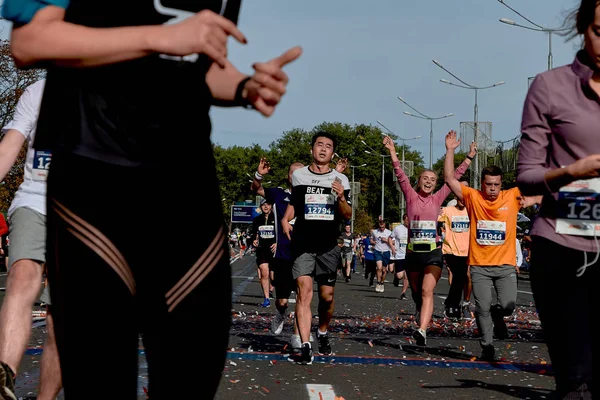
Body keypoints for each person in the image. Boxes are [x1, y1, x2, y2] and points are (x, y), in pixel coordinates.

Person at [2, 1, 302, 397]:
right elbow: (31, 42)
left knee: (190, 381)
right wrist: (160, 37)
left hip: (187, 193)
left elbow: (196, 67)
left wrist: (246, 87)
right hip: (93, 190)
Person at [516, 1, 598, 396]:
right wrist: (571, 172)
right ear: (583, 28)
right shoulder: (550, 86)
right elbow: (526, 176)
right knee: (577, 379)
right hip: (564, 245)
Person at [444, 130, 539, 361]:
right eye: (489, 184)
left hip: (506, 265)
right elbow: (449, 179)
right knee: (482, 307)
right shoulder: (473, 197)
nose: (493, 189)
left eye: (496, 184)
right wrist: (450, 151)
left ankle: (499, 318)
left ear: (501, 184)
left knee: (507, 306)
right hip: (479, 266)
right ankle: (487, 345)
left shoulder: (513, 196)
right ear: (482, 184)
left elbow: (540, 189)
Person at [0, 79, 62, 400]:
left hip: (84, 214)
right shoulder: (38, 91)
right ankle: (3, 379)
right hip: (35, 200)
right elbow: (10, 144)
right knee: (22, 275)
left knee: (59, 319)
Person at [383, 134, 475, 346]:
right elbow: (399, 174)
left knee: (427, 290)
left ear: (436, 185)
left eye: (433, 180)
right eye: (425, 178)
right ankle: (419, 311)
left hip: (433, 253)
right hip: (413, 253)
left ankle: (422, 331)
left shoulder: (438, 198)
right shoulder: (411, 196)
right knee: (417, 292)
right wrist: (392, 151)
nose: (429, 182)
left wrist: (467, 156)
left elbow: (455, 175)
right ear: (418, 181)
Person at [282, 131, 352, 364]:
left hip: (328, 245)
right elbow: (294, 204)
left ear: (332, 153)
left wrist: (341, 198)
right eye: (319, 145)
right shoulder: (299, 176)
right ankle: (305, 344)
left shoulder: (340, 180)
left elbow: (348, 215)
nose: (323, 149)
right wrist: (285, 218)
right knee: (304, 292)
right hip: (303, 243)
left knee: (327, 298)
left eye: (328, 146)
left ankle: (322, 332)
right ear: (312, 149)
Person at [251, 159, 305, 348]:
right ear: (288, 176)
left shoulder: (311, 195)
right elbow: (257, 189)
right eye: (292, 172)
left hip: (303, 254)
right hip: (282, 254)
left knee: (303, 297)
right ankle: (281, 314)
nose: (296, 176)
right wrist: (259, 175)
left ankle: (298, 336)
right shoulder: (279, 194)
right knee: (282, 301)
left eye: (300, 172)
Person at [438, 180, 472, 320]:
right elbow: (432, 214)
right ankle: (453, 305)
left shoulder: (472, 210)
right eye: (459, 196)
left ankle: (453, 304)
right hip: (450, 250)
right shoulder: (447, 210)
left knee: (463, 277)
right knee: (458, 275)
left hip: (467, 251)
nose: (462, 199)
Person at [251, 199, 276, 307]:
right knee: (264, 273)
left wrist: (277, 243)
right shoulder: (257, 220)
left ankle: (273, 287)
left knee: (274, 276)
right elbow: (253, 234)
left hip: (274, 250)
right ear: (260, 207)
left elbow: (283, 233)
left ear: (271, 206)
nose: (266, 207)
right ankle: (266, 298)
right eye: (263, 205)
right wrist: (253, 240)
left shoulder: (276, 218)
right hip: (262, 250)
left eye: (268, 204)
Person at [371, 219, 394, 293]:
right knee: (379, 268)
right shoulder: (375, 232)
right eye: (380, 227)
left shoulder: (389, 232)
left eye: (383, 227)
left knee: (384, 270)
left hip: (386, 252)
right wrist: (373, 242)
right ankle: (378, 282)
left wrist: (386, 240)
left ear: (385, 226)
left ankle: (382, 282)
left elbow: (393, 242)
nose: (381, 228)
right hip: (378, 251)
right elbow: (371, 239)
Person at [390, 214, 410, 300]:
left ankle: (403, 293)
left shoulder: (412, 229)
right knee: (400, 276)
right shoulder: (398, 229)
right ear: (403, 220)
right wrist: (392, 248)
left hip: (409, 255)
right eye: (406, 220)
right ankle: (396, 276)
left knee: (407, 275)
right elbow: (390, 238)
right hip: (399, 255)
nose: (408, 222)